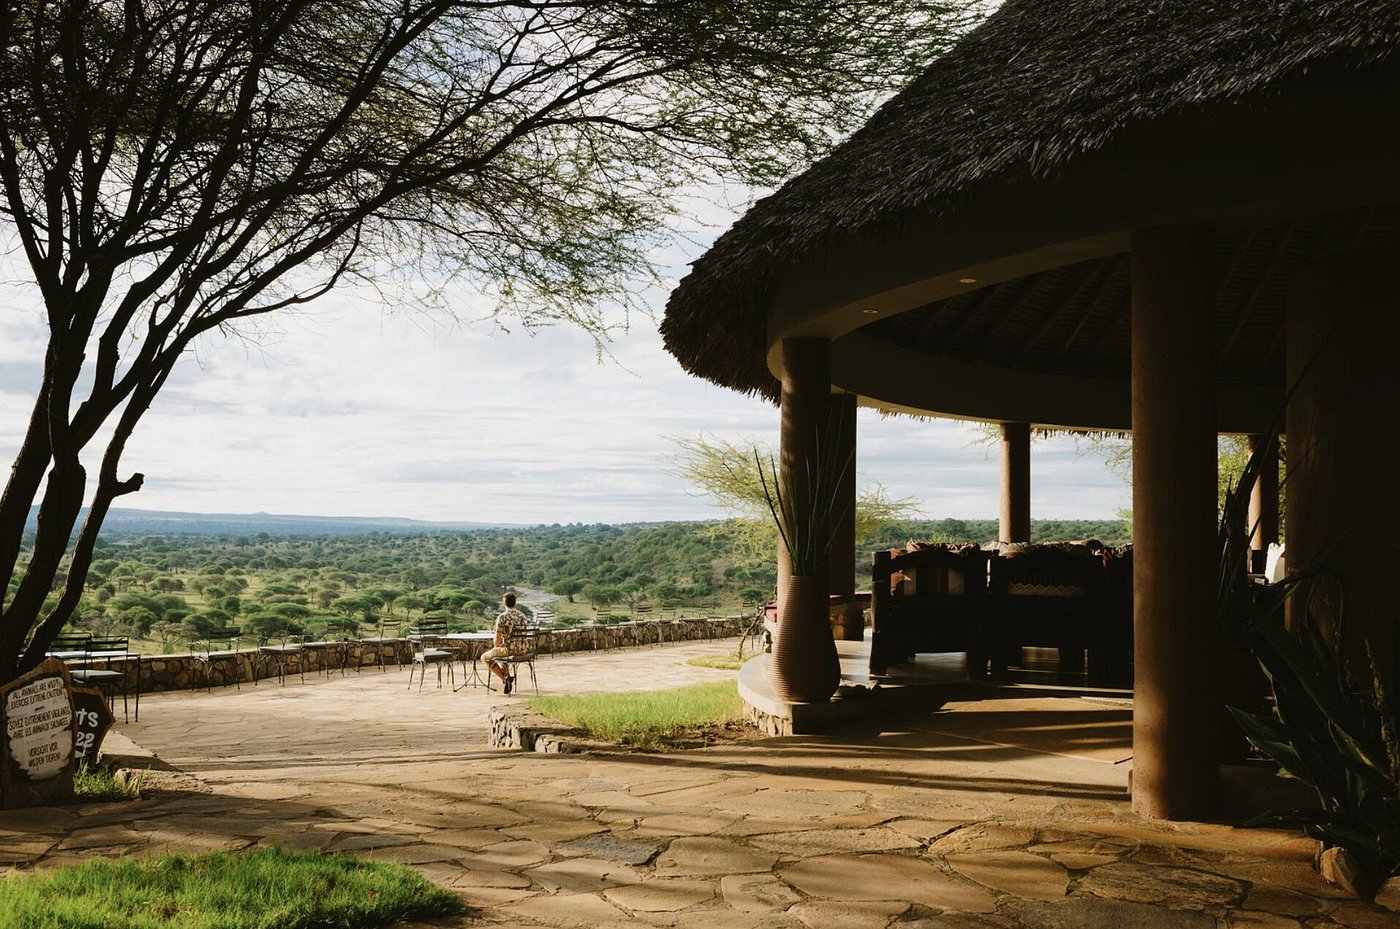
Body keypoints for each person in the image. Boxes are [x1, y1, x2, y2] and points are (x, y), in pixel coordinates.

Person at [482, 591, 528, 693]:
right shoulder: (523, 616)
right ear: (515, 603)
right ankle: (506, 675)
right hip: (523, 650)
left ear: (504, 603)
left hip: (509, 650)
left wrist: (495, 647)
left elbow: (497, 640)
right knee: (500, 654)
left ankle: (505, 679)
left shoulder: (502, 617)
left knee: (485, 657)